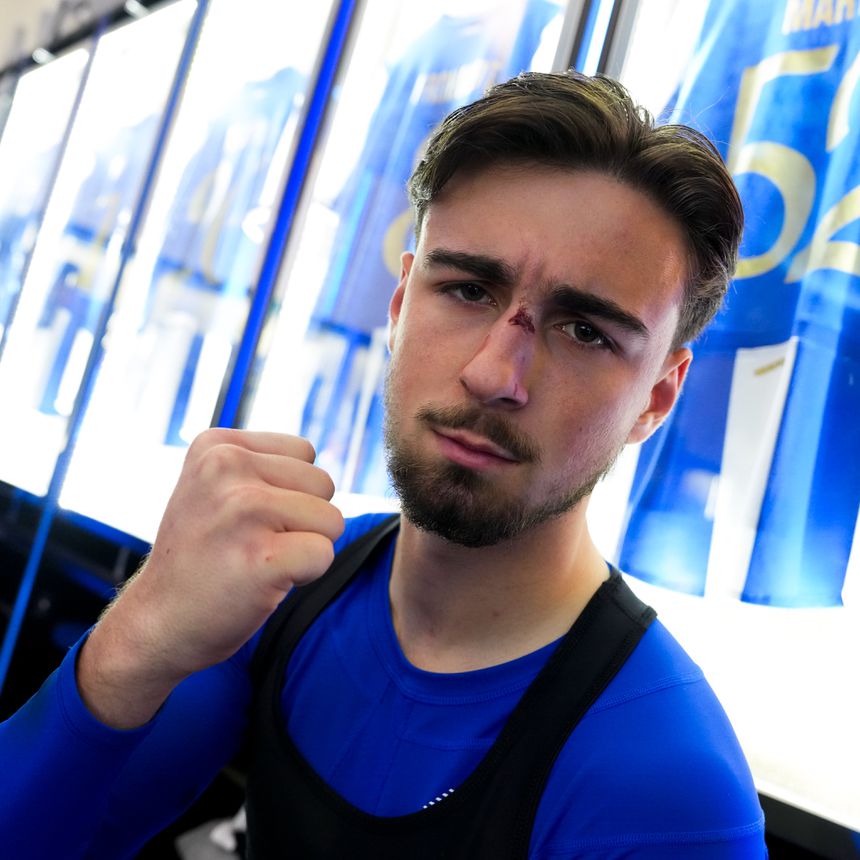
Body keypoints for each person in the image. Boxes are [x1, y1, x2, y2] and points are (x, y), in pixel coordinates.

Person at [0, 71, 766, 858]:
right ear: (400, 304)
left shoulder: (672, 790)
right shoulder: (289, 590)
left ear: (657, 398)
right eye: (467, 290)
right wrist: (142, 628)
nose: (493, 375)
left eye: (585, 332)